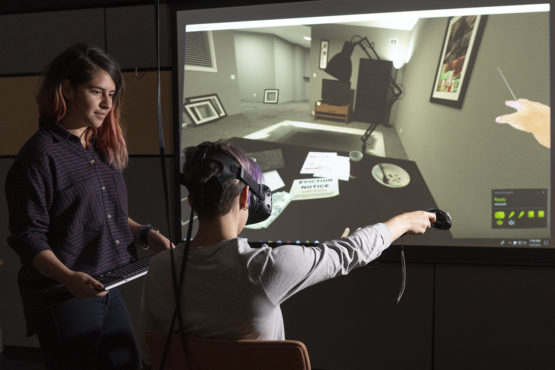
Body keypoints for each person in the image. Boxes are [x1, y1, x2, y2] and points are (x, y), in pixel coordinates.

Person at [140, 140, 436, 365]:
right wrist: (403, 222)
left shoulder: (159, 269)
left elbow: (151, 353)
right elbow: (349, 252)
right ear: (246, 196)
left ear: (191, 200)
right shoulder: (264, 268)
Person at [5, 43, 172, 370]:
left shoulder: (99, 147)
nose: (107, 103)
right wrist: (68, 277)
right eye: (97, 92)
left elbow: (105, 215)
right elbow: (27, 237)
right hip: (63, 295)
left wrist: (144, 233)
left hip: (106, 283)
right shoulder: (39, 157)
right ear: (67, 89)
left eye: (112, 94)